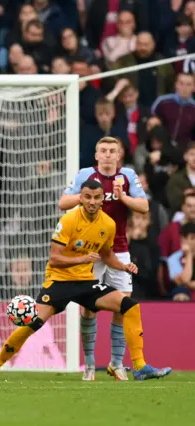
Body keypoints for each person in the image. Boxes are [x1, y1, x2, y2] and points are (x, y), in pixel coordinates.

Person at [0, 179, 171, 382]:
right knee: (32, 324)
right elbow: (54, 259)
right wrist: (83, 258)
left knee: (130, 306)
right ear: (80, 198)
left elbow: (106, 255)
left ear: (102, 200)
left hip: (85, 282)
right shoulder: (68, 220)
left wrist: (123, 266)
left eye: (96, 197)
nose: (91, 201)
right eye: (87, 197)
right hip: (59, 281)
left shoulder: (108, 224)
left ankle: (140, 366)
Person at [59, 136, 149, 381]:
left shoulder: (128, 176)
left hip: (118, 248)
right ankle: (89, 365)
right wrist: (86, 196)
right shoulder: (85, 175)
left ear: (119, 155)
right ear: (96, 155)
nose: (108, 154)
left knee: (123, 304)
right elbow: (63, 202)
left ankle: (116, 363)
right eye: (103, 150)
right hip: (90, 248)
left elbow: (144, 207)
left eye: (112, 150)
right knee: (89, 308)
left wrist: (123, 198)